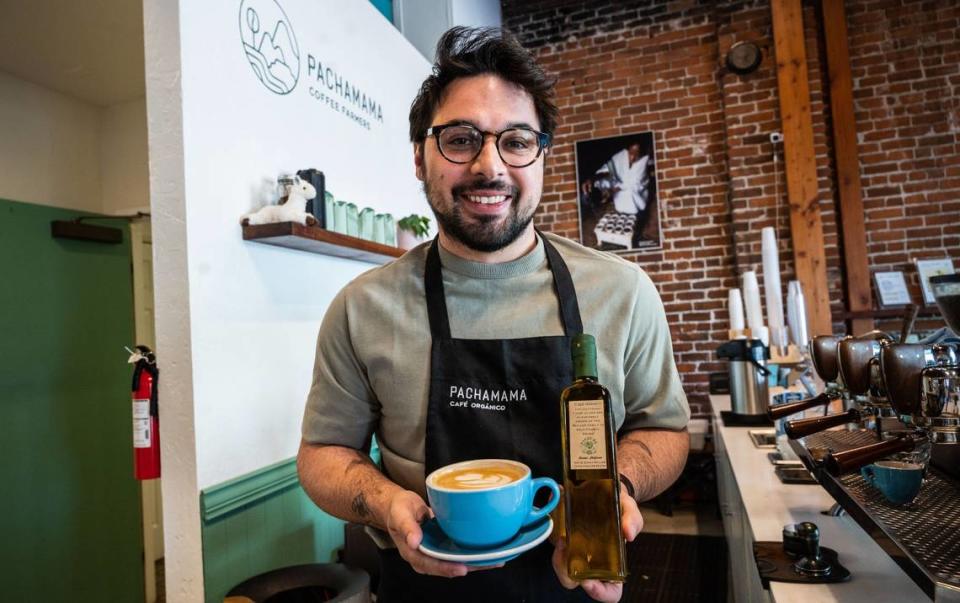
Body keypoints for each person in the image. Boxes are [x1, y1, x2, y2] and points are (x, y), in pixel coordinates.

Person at [297, 26, 690, 603]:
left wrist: (612, 490)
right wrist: (386, 505)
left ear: (541, 156)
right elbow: (323, 454)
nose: (490, 166)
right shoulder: (361, 308)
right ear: (418, 157)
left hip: (579, 585)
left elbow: (663, 429)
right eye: (460, 139)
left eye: (516, 140)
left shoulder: (623, 291)